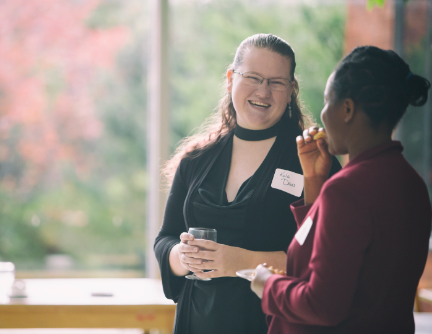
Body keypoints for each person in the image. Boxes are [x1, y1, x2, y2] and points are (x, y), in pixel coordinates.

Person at [154, 33, 341, 334]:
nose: (263, 92)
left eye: (276, 82)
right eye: (253, 77)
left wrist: (239, 261)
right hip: (194, 321)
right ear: (230, 79)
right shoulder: (196, 159)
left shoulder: (313, 162)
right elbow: (165, 239)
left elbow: (324, 261)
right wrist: (183, 256)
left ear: (291, 89)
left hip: (270, 323)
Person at [251, 45, 432, 334]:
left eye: (326, 102)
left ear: (347, 109)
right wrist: (313, 184)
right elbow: (344, 260)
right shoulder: (412, 184)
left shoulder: (347, 190)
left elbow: (322, 305)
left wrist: (267, 285)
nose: (322, 114)